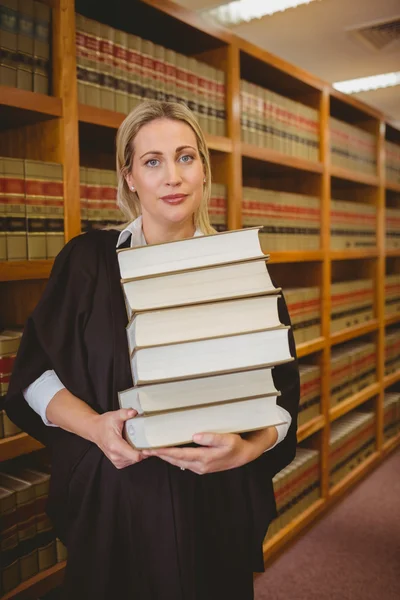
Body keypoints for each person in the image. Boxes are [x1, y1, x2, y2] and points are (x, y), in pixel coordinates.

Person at [5, 101, 300, 600]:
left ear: (204, 171)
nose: (172, 176)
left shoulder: (241, 268)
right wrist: (97, 428)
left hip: (214, 496)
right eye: (153, 161)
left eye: (186, 157)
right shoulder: (87, 262)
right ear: (129, 177)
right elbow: (36, 377)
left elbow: (280, 397)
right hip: (115, 494)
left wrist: (249, 447)